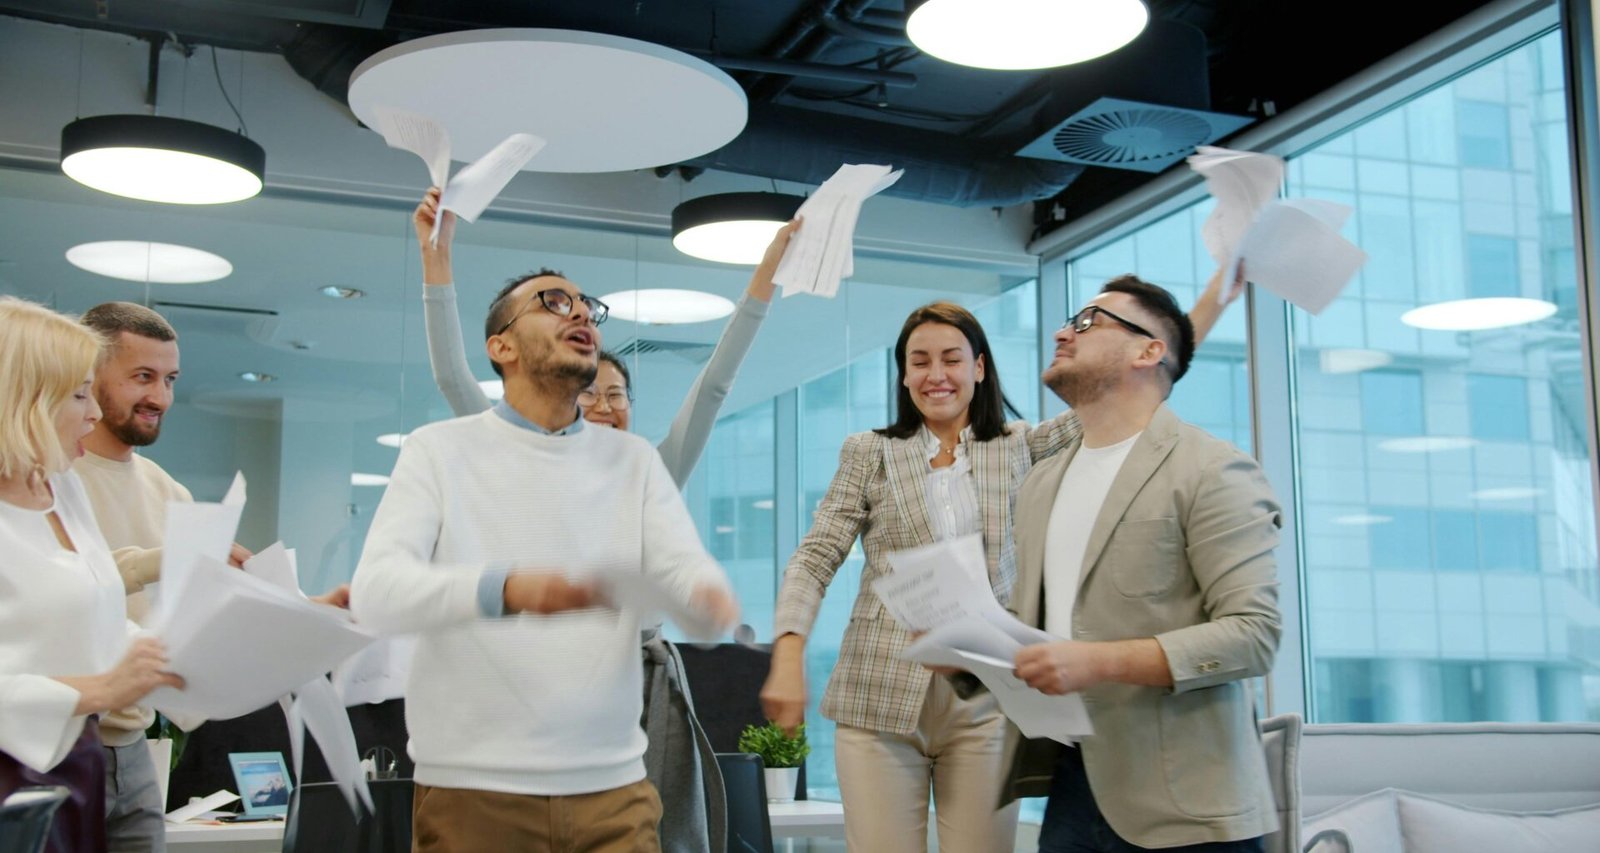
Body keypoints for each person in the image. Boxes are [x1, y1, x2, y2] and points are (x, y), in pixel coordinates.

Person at [761, 271, 1241, 852]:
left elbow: (1134, 379)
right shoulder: (869, 452)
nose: (935, 375)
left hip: (989, 697)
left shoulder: (1024, 444)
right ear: (904, 374)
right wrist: (788, 649)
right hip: (878, 692)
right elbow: (816, 556)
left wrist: (1214, 297)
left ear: (980, 367)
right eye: (919, 361)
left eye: (951, 359)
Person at [350, 265, 739, 852]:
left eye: (586, 306)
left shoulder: (633, 461)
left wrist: (707, 598)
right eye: (554, 303)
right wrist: (505, 590)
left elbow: (684, 570)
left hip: (617, 794)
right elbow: (377, 593)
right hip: (475, 794)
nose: (581, 314)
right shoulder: (439, 451)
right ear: (500, 346)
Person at [1003, 276, 1282, 852]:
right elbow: (1048, 632)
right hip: (1073, 790)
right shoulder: (1041, 483)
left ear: (1148, 350)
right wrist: (962, 650)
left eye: (1087, 321)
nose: (1062, 332)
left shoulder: (1212, 470)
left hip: (1190, 807)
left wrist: (1097, 662)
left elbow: (1255, 635)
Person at [73, 301, 347, 852]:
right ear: (89, 372)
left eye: (170, 380)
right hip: (62, 738)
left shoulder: (167, 492)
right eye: (142, 377)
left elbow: (205, 628)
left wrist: (309, 614)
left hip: (133, 749)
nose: (160, 398)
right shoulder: (49, 479)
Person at [415, 187, 796, 485]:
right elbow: (451, 375)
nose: (604, 408)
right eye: (589, 395)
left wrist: (768, 273)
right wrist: (436, 257)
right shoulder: (509, 453)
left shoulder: (646, 476)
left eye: (615, 396)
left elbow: (713, 389)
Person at [0, 296, 185, 853]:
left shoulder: (62, 490)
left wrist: (166, 654)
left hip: (74, 761)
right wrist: (101, 687)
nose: (94, 413)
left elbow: (102, 618)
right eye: (79, 394)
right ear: (26, 397)